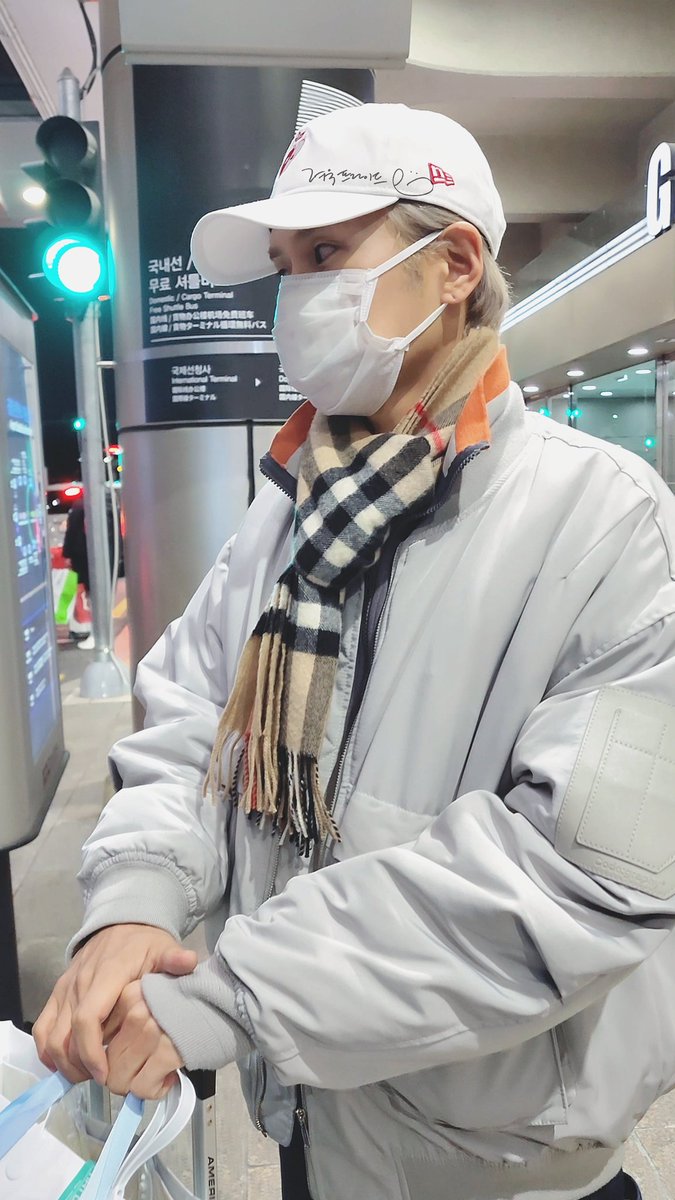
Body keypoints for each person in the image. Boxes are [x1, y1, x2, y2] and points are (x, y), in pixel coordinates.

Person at [33, 103, 675, 1200]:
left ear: (455, 265)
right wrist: (136, 900)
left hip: (503, 1164)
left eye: (326, 255)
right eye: (285, 269)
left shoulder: (612, 525)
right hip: (314, 1129)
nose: (293, 300)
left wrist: (232, 997)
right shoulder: (286, 517)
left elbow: (574, 876)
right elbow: (187, 728)